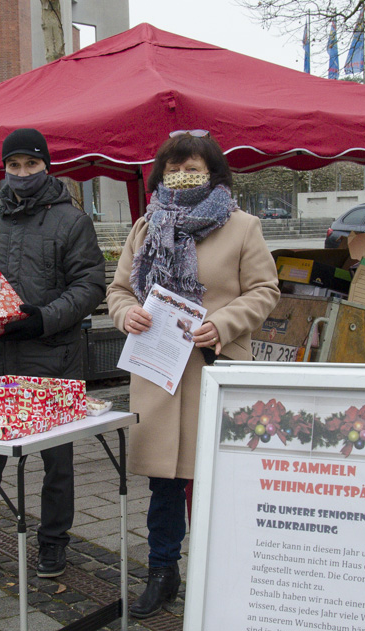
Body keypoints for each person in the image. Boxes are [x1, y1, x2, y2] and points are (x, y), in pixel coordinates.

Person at [106, 130, 279, 618]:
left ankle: (224, 573)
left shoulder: (243, 226)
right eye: (174, 167)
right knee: (164, 484)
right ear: (160, 173)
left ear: (214, 173)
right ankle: (163, 572)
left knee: (218, 483)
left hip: (216, 370)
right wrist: (125, 315)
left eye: (193, 168)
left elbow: (266, 290)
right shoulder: (145, 227)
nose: (182, 176)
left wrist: (221, 322)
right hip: (159, 373)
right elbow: (119, 290)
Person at [0, 128, 105, 583]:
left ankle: (53, 543)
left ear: (46, 165)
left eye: (31, 164)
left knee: (56, 461)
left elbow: (89, 287)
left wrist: (43, 318)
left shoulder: (72, 221)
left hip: (51, 355)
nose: (22, 173)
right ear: (3, 168)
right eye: (14, 165)